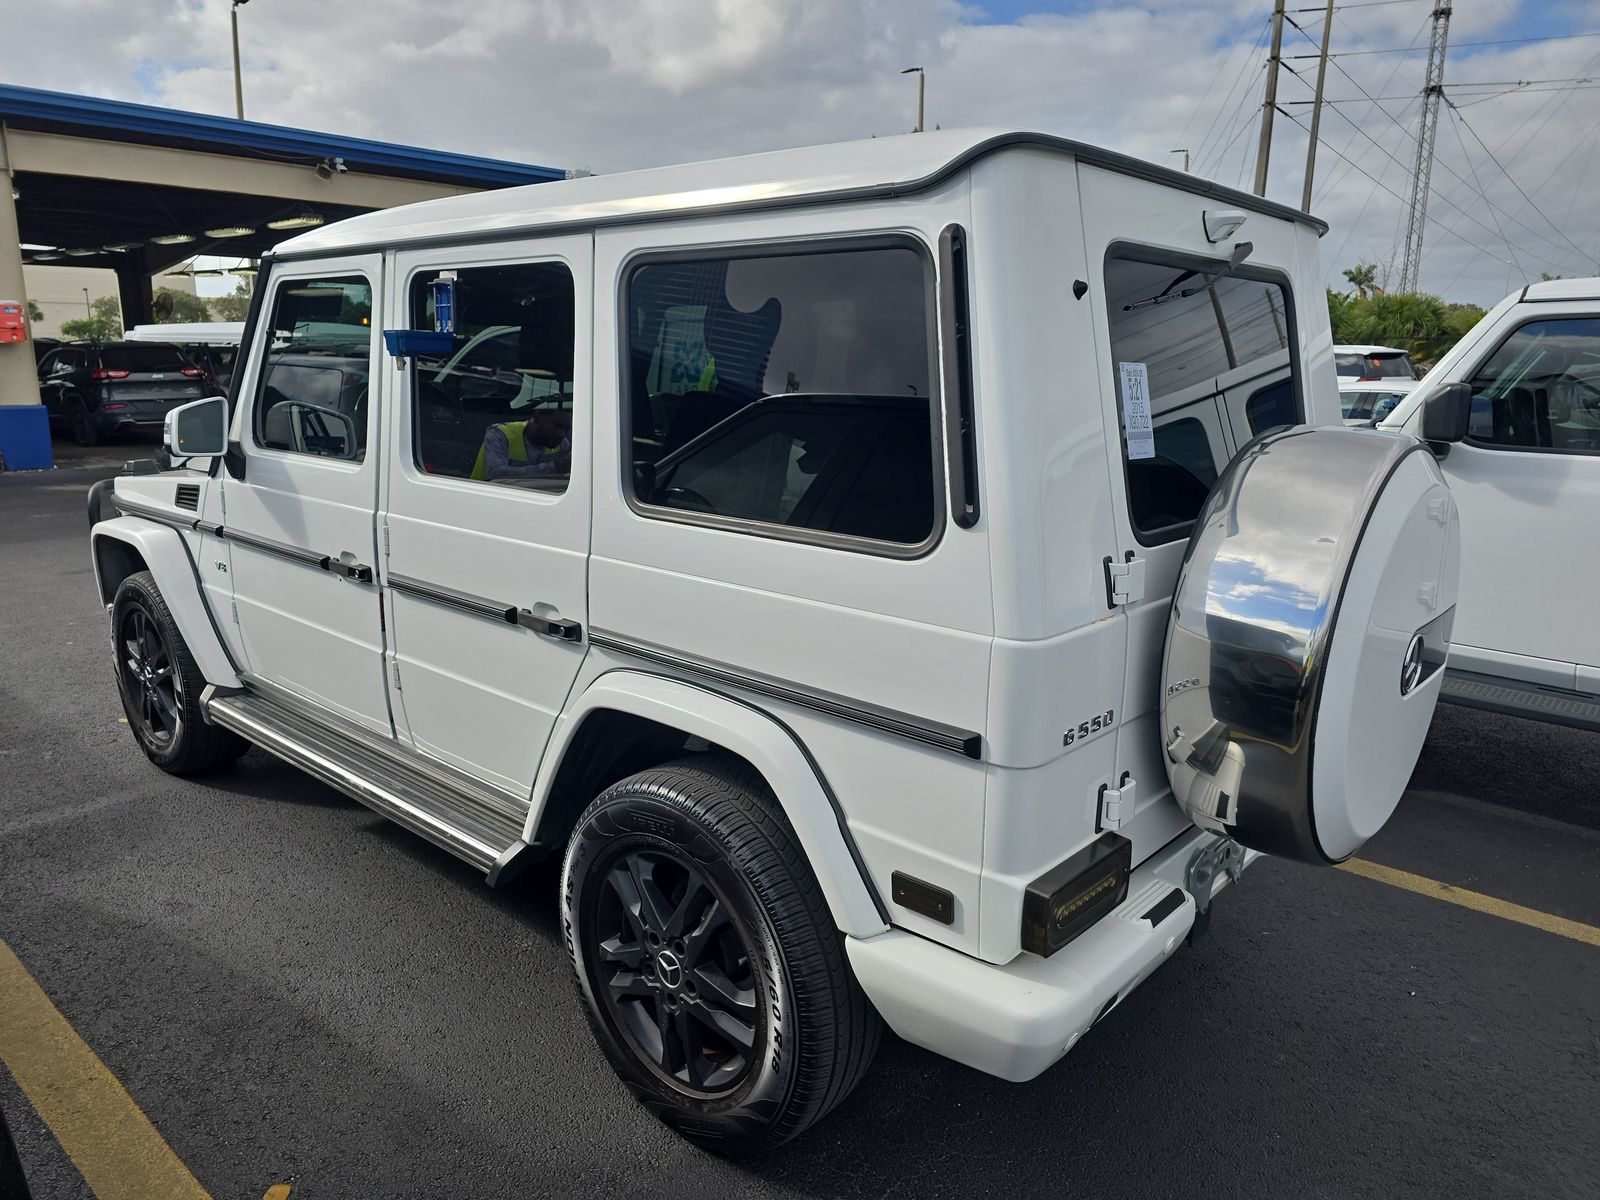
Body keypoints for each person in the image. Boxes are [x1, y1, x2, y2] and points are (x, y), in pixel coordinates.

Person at [471, 407, 572, 481]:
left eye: (566, 429)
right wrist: (554, 467)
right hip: (485, 495)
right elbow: (496, 473)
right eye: (556, 427)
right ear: (537, 420)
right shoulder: (500, 434)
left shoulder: (561, 444)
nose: (561, 434)